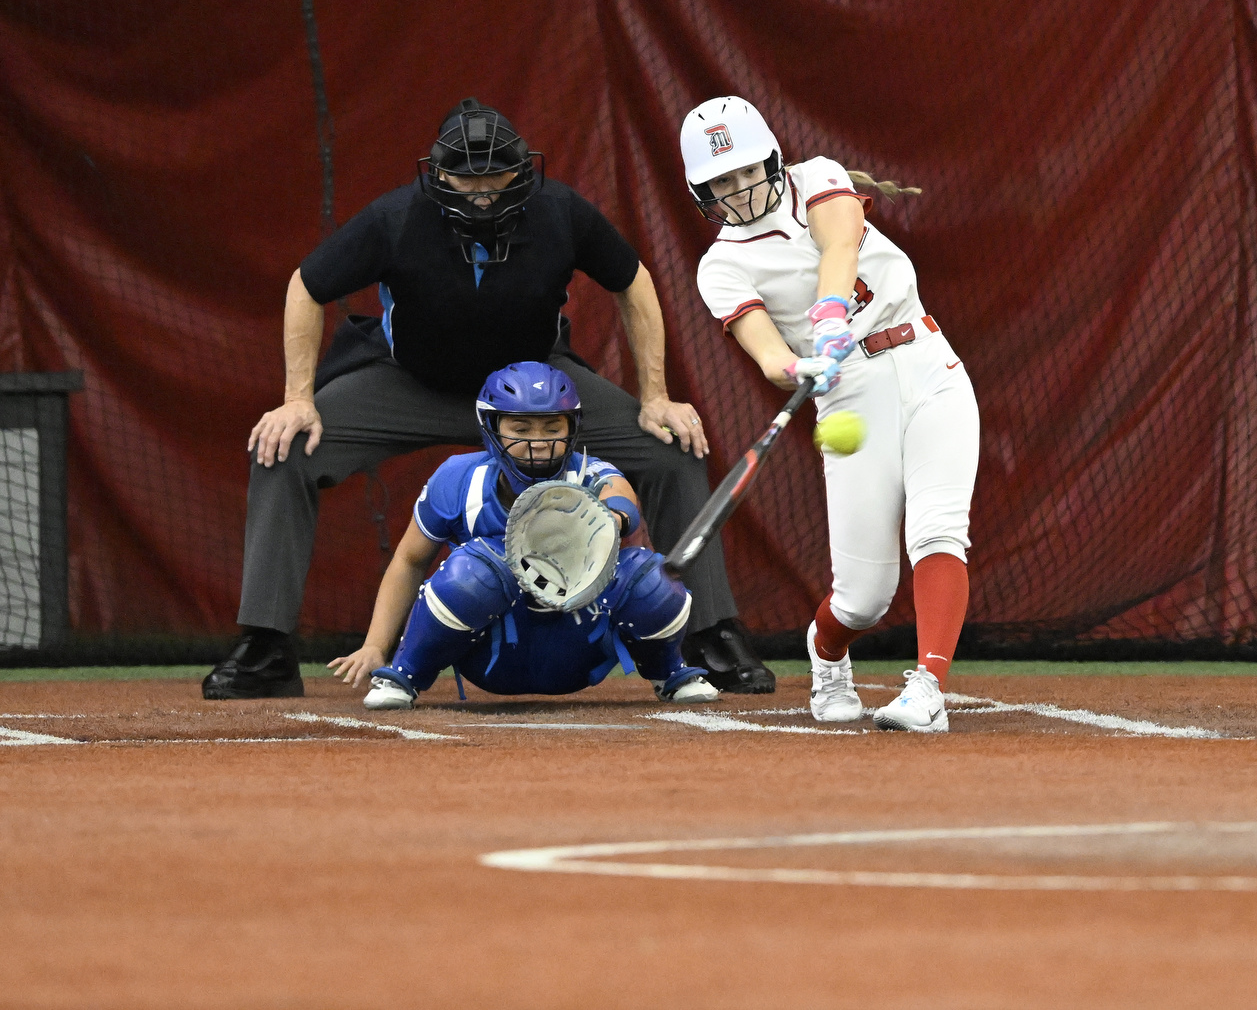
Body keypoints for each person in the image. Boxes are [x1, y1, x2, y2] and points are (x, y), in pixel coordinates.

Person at [204, 99, 774, 700]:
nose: (481, 191)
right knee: (284, 446)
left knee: (670, 448)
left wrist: (655, 395)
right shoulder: (396, 217)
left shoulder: (559, 212)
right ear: (438, 175)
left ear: (523, 171)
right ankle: (265, 645)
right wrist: (298, 397)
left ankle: (711, 634)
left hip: (532, 391)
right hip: (412, 382)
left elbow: (632, 281)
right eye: (466, 177)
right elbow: (306, 284)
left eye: (495, 175)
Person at [680, 97, 980, 732]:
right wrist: (798, 368)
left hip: (928, 362)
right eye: (721, 183)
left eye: (748, 171)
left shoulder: (817, 176)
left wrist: (828, 316)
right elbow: (765, 351)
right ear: (702, 193)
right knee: (863, 600)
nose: (740, 189)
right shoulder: (722, 265)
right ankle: (826, 652)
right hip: (849, 395)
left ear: (772, 159)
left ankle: (928, 687)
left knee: (937, 529)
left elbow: (839, 246)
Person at [327, 362, 718, 707]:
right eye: (520, 427)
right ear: (492, 427)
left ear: (573, 428)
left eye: (552, 427)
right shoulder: (458, 478)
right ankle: (405, 675)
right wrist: (376, 645)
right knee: (474, 570)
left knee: (651, 577)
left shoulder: (592, 472)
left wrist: (609, 520)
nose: (538, 441)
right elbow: (409, 560)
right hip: (493, 654)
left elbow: (620, 497)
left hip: (580, 650)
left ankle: (670, 673)